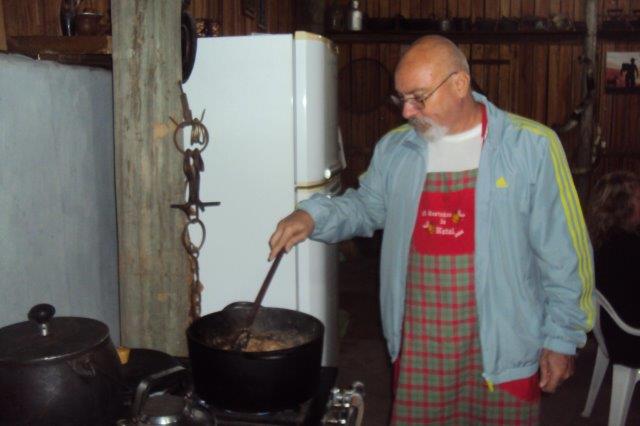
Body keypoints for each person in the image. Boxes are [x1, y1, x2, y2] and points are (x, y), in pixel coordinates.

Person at [269, 35, 594, 425]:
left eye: (418, 98)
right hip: (420, 342)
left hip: (504, 343)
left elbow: (564, 253)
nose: (407, 111)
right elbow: (366, 206)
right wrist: (313, 216)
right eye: (401, 98)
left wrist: (562, 338)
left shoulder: (531, 146)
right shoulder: (396, 149)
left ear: (459, 84)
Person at [587, 171, 640, 367]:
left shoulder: (601, 240)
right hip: (630, 340)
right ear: (623, 205)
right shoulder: (625, 246)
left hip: (612, 334)